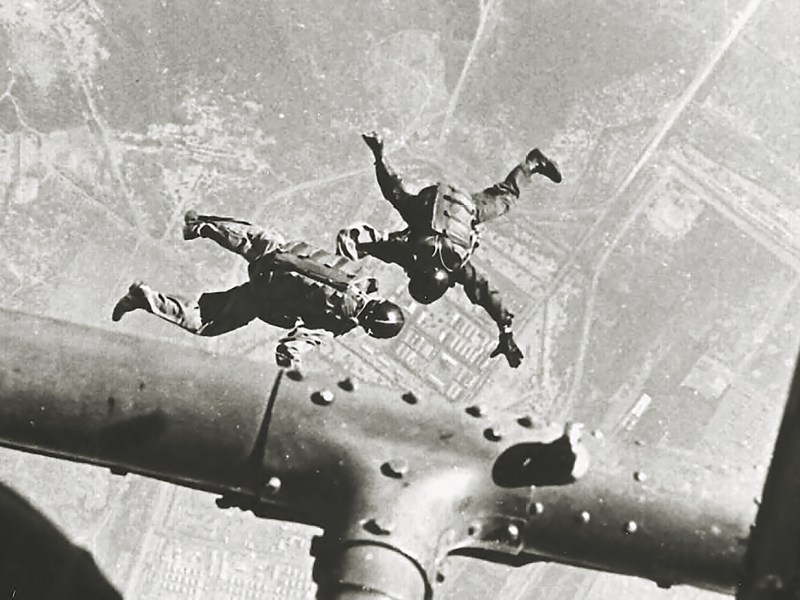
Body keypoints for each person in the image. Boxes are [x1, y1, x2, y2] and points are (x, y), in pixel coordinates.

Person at [336, 132, 562, 368]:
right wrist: (379, 155)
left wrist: (506, 331)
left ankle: (533, 163)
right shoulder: (410, 254)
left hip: (464, 207)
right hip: (438, 206)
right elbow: (393, 195)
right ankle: (532, 163)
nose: (409, 273)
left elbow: (488, 295)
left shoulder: (457, 267)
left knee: (505, 199)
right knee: (399, 202)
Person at [112, 211, 405, 369]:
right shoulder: (337, 322)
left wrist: (372, 238)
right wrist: (290, 363)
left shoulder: (365, 278)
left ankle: (202, 226)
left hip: (277, 253)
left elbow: (346, 242)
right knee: (206, 320)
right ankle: (145, 298)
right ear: (367, 328)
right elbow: (297, 343)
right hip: (263, 292)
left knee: (254, 238)